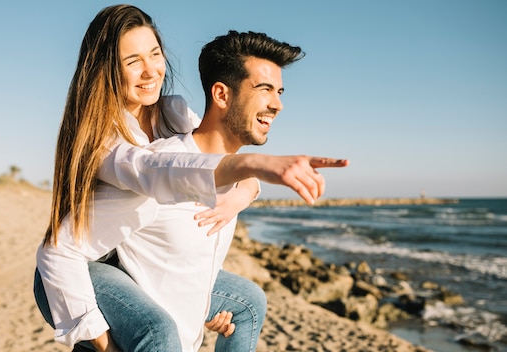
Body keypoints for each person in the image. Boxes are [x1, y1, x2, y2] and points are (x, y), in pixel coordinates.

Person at [34, 4, 349, 352]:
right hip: (88, 266)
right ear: (107, 70)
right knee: (159, 331)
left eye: (154, 54)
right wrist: (102, 342)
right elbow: (157, 173)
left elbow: (208, 153)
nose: (150, 69)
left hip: (140, 251)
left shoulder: (173, 111)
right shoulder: (106, 143)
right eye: (131, 61)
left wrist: (244, 188)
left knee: (247, 302)